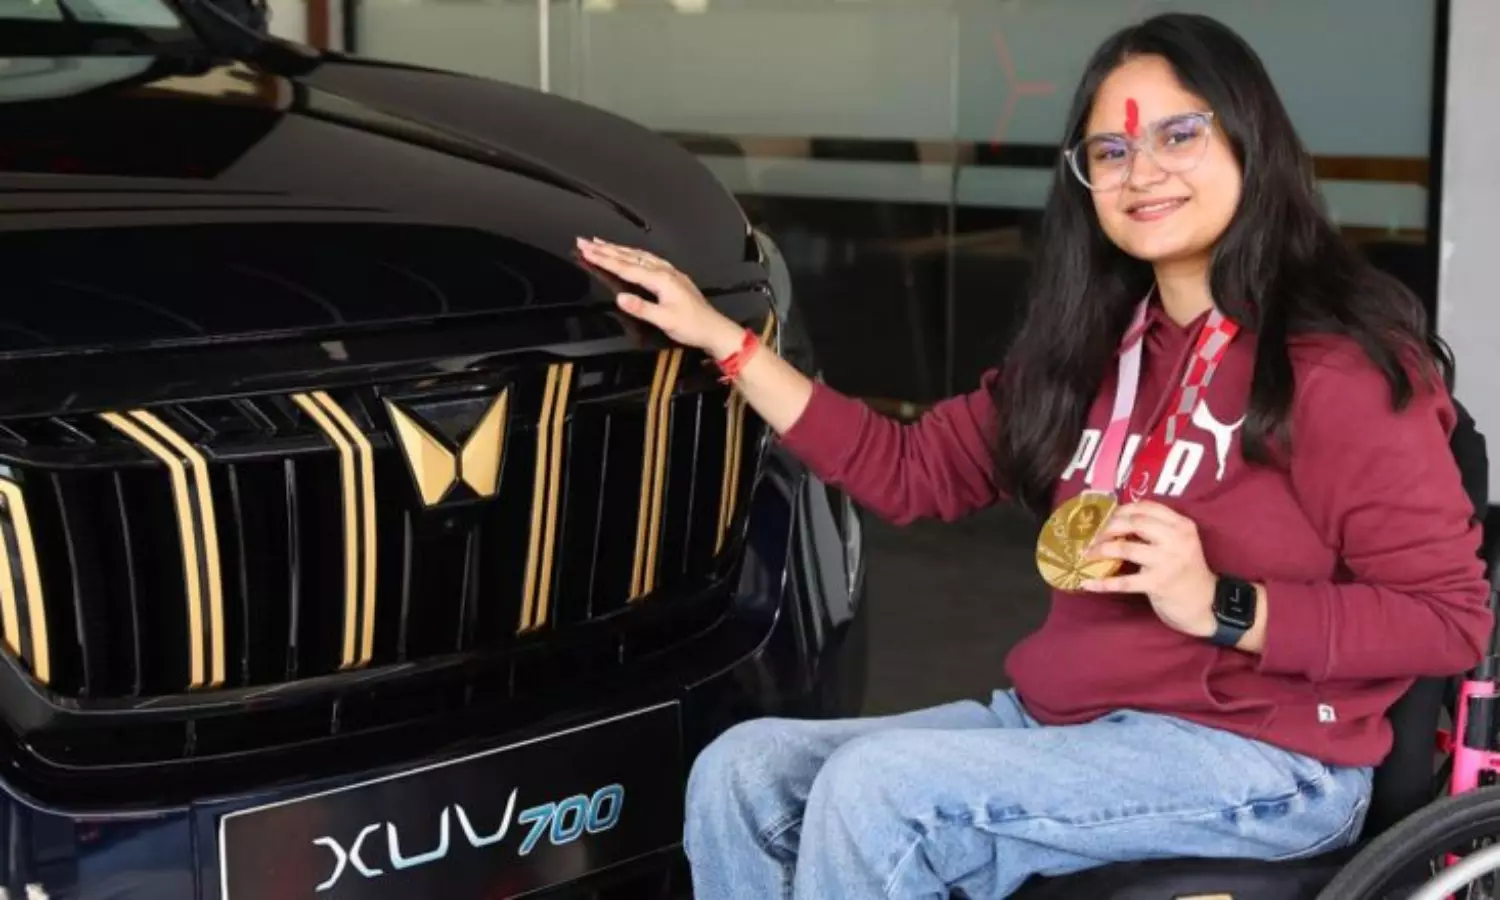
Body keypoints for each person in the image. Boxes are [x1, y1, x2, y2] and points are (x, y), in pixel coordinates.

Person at [577, 12, 1493, 899]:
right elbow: (909, 470)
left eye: (1179, 135)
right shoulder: (1091, 353)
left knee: (878, 795)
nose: (1144, 172)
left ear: (1253, 144)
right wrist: (727, 342)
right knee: (744, 773)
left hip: (1262, 757)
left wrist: (1222, 603)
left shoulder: (1333, 370)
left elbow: (1448, 619)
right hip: (1067, 724)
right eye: (1111, 151)